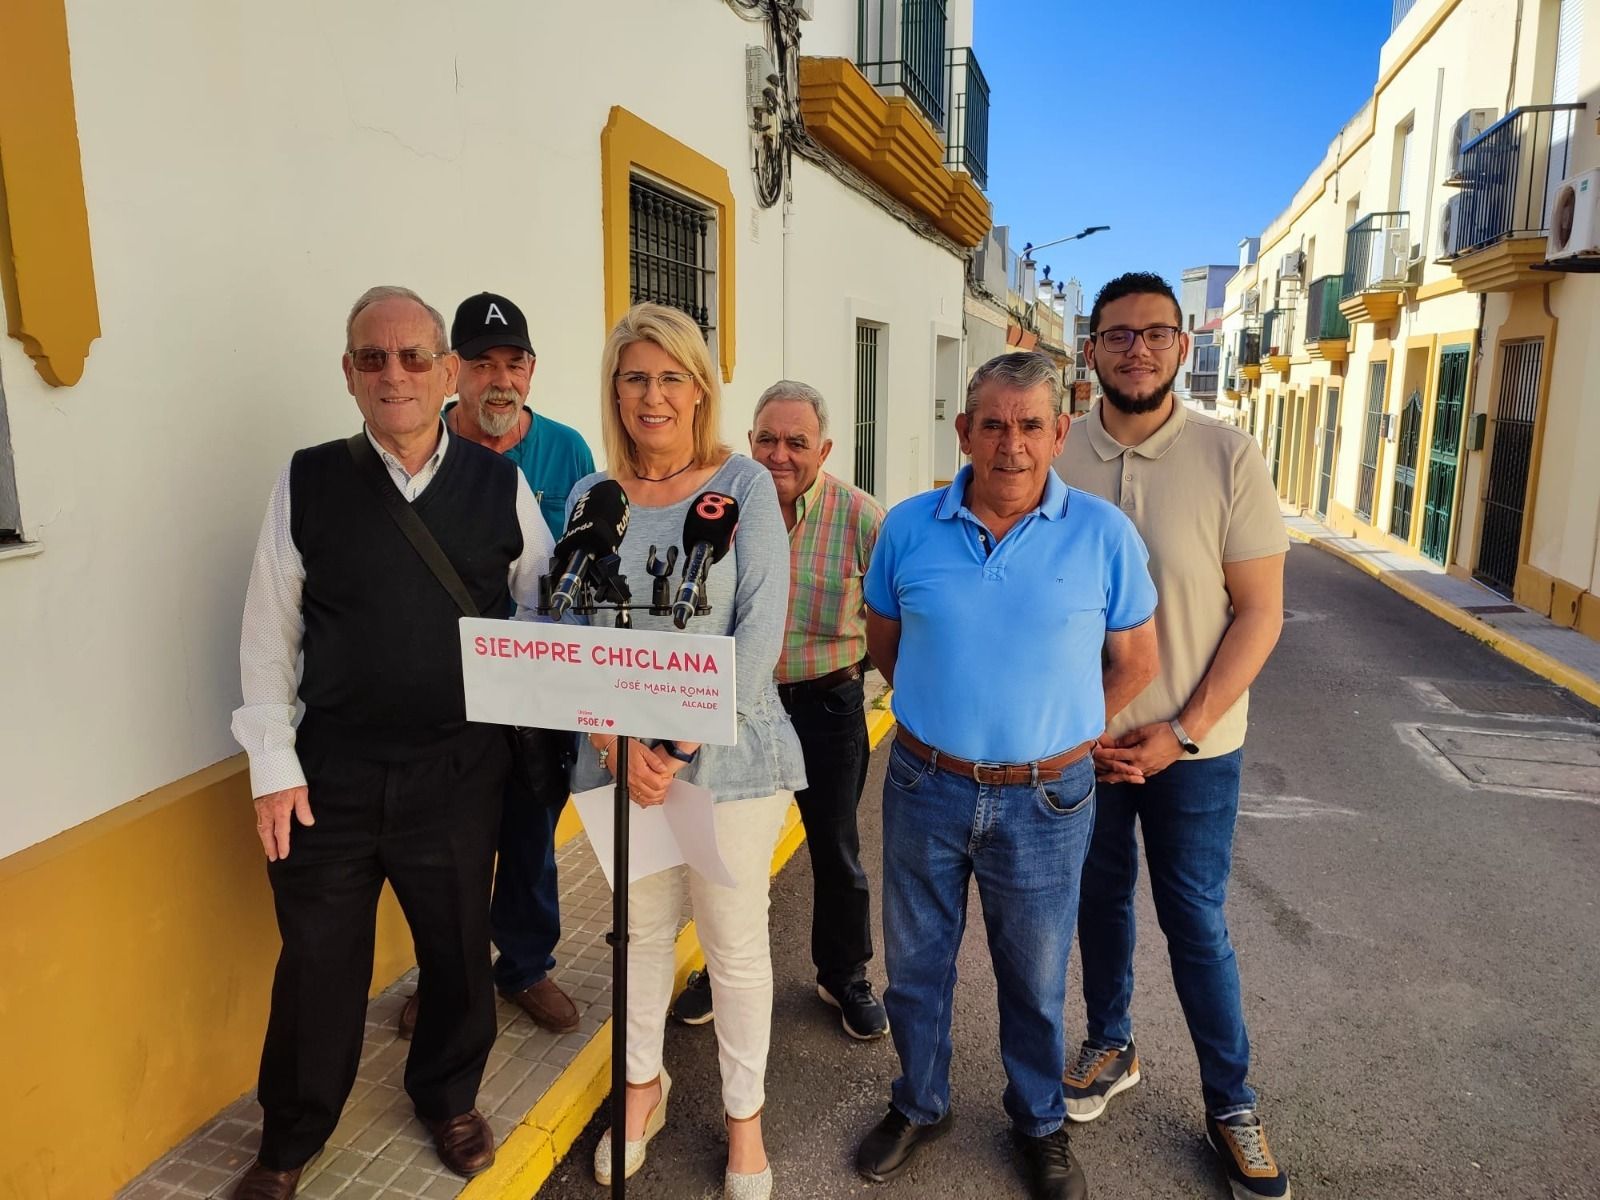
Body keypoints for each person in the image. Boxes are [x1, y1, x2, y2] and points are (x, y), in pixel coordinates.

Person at [228, 286, 555, 1200]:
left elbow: (536, 607)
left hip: (458, 771)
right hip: (327, 773)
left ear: (447, 371)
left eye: (415, 357)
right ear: (348, 374)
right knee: (317, 965)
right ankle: (289, 1137)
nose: (395, 374)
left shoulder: (500, 484)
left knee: (456, 951)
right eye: (373, 358)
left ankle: (448, 1095)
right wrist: (272, 766)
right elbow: (268, 636)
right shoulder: (309, 478)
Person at [856, 351, 1160, 1200]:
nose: (1011, 444)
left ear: (1060, 433)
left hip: (1047, 797)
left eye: (1031, 425)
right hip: (925, 783)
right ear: (964, 431)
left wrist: (1063, 733)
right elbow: (887, 640)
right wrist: (936, 709)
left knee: (1033, 974)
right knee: (915, 966)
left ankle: (1038, 1121)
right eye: (993, 423)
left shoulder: (1104, 535)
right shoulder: (909, 527)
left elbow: (1136, 660)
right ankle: (919, 1103)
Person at [1056, 272, 1291, 1200]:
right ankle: (1110, 1044)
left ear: (1183, 347)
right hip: (1084, 744)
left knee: (1194, 920)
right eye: (1118, 335)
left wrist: (1182, 733)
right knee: (1097, 902)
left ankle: (1231, 1102)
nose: (1137, 349)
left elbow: (1260, 614)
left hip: (1197, 750)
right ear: (1092, 349)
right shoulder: (1054, 451)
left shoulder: (1229, 456)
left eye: (1156, 333)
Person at [568, 302, 805, 1200]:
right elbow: (567, 625)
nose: (653, 395)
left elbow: (759, 632)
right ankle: (641, 1088)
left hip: (726, 766)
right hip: (614, 767)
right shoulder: (592, 494)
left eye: (672, 376)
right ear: (615, 390)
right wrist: (611, 739)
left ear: (700, 389)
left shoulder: (743, 486)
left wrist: (665, 744)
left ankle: (745, 1120)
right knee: (639, 936)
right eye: (635, 377)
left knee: (734, 946)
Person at [395, 292, 594, 1041]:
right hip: (441, 691)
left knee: (531, 830)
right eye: (481, 364)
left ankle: (524, 965)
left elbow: (575, 569)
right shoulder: (422, 446)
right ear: (452, 374)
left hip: (534, 691)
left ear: (533, 373)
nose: (499, 380)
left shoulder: (567, 452)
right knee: (441, 843)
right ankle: (447, 973)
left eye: (514, 364)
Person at [672, 380, 889, 1040]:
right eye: (766, 438)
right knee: (730, 851)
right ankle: (718, 967)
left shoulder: (860, 517)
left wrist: (875, 676)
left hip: (828, 704)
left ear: (823, 449)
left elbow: (895, 609)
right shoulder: (716, 509)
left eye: (796, 441)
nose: (779, 453)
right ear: (749, 441)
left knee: (836, 846)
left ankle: (843, 974)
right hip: (740, 707)